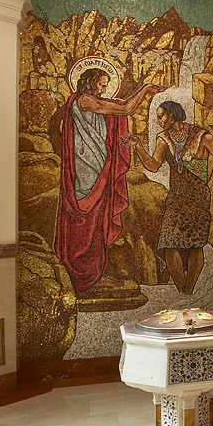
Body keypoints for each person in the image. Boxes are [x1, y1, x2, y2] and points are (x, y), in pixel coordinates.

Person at [54, 69, 164, 294]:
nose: (104, 90)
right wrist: (145, 90)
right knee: (85, 222)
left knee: (97, 222)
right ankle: (81, 275)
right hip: (86, 174)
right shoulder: (84, 100)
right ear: (90, 83)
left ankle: (94, 274)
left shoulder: (92, 101)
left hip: (98, 170)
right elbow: (125, 109)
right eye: (102, 85)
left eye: (106, 86)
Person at [124, 100, 213, 295]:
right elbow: (153, 166)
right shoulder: (164, 139)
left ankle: (188, 290)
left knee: (195, 245)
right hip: (176, 197)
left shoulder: (203, 137)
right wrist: (138, 146)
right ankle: (183, 290)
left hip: (198, 197)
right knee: (168, 243)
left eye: (161, 116)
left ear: (172, 115)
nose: (159, 121)